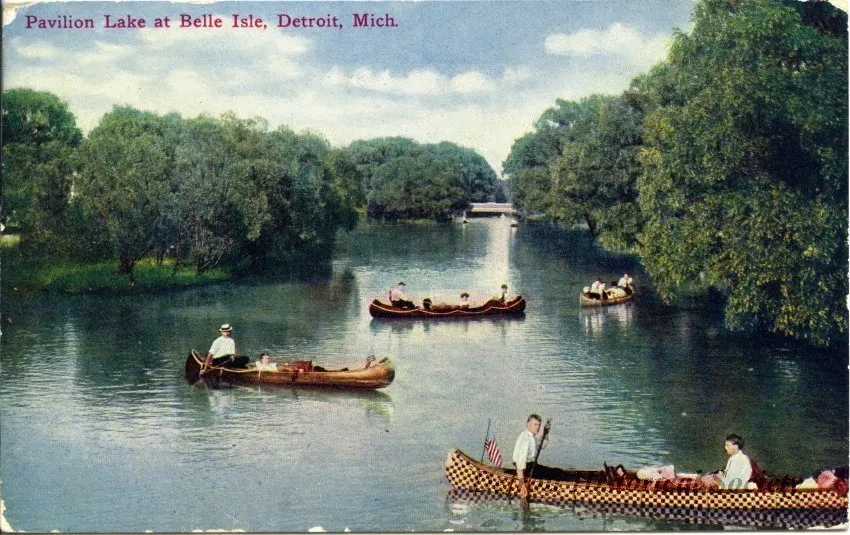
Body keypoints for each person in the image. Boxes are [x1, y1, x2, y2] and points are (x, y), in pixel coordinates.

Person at [512, 414, 566, 498]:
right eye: (535, 424)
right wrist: (522, 485)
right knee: (557, 473)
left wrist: (545, 433)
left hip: (531, 465)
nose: (537, 427)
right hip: (526, 468)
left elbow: (540, 445)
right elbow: (520, 465)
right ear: (528, 424)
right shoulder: (525, 439)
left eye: (539, 425)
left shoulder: (530, 436)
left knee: (557, 471)